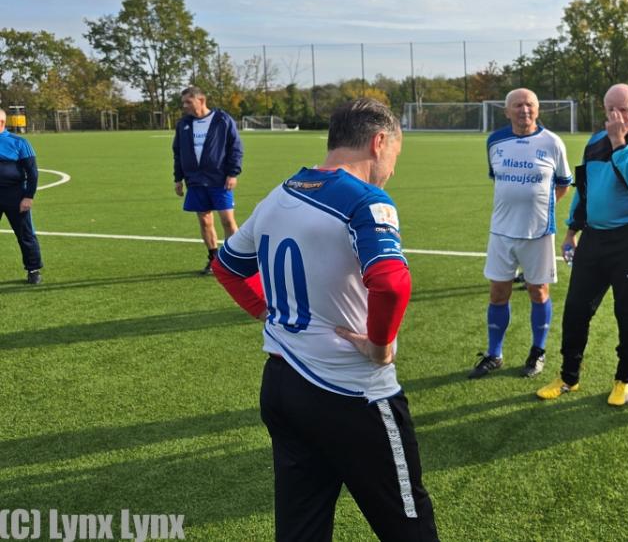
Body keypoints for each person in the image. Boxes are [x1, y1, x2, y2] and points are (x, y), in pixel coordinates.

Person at [212, 98, 439, 540]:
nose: (392, 170)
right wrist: (379, 345)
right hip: (351, 393)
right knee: (409, 527)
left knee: (301, 528)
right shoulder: (366, 201)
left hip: (282, 385)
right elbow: (391, 283)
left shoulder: (281, 194)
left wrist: (265, 310)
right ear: (378, 143)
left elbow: (227, 267)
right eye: (395, 155)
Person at [536, 83, 628, 407]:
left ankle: (624, 379)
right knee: (576, 310)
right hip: (594, 239)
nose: (617, 116)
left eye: (624, 109)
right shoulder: (594, 142)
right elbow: (584, 190)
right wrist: (571, 231)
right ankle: (569, 376)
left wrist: (619, 141)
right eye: (610, 110)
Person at [469, 88, 572, 380]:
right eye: (517, 105)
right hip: (501, 232)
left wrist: (542, 208)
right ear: (507, 111)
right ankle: (494, 354)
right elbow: (498, 180)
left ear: (537, 110)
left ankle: (537, 351)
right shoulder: (495, 141)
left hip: (538, 232)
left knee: (538, 292)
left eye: (529, 105)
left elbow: (563, 183)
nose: (524, 110)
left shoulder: (552, 142)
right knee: (498, 293)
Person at [172, 86, 243, 275]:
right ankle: (214, 259)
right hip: (195, 181)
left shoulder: (222, 119)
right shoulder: (184, 124)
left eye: (188, 102)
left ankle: (235, 260)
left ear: (201, 100)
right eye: (183, 103)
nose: (184, 106)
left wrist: (233, 173)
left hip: (219, 180)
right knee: (204, 221)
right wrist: (178, 178)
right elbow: (178, 153)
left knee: (228, 221)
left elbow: (235, 148)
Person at [0, 109, 43, 284]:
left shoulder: (19, 143)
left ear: (1, 122)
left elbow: (32, 172)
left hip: (15, 195)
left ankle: (33, 270)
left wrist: (28, 196)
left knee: (25, 234)